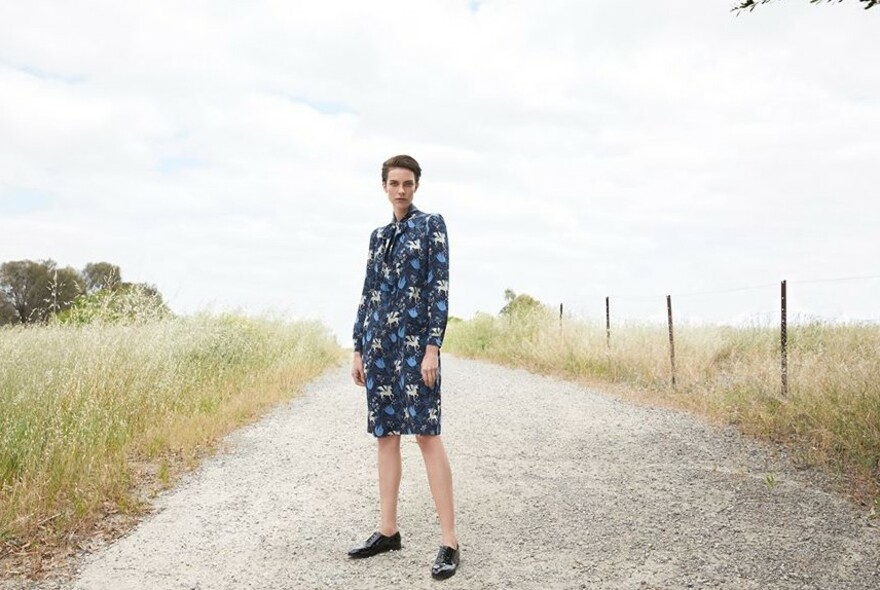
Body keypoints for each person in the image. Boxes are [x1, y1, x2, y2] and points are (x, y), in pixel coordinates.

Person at [348, 155, 460, 579]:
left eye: (407, 183)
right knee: (385, 436)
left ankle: (449, 540)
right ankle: (388, 531)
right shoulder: (378, 237)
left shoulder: (431, 225)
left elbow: (440, 287)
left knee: (427, 436)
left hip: (415, 348)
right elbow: (368, 293)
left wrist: (433, 347)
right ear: (384, 186)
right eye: (394, 183)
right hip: (379, 348)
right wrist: (358, 347)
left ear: (416, 186)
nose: (400, 189)